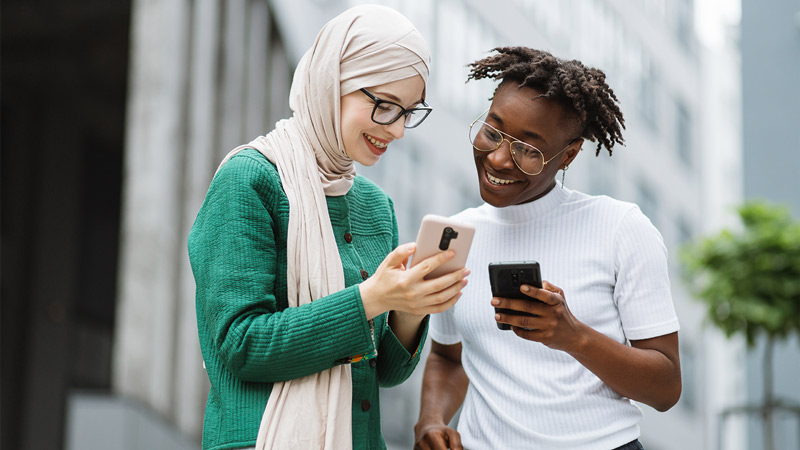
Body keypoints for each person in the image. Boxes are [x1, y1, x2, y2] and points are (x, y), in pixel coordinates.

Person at [188, 5, 469, 450]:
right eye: (384, 106)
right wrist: (371, 299)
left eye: (409, 112)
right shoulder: (251, 180)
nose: (397, 130)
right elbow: (239, 344)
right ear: (331, 82)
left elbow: (388, 374)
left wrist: (412, 306)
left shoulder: (377, 207)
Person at [413, 47, 681, 450]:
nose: (500, 158)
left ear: (568, 153)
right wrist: (431, 420)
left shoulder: (620, 228)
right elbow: (448, 358)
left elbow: (665, 387)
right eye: (493, 131)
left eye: (528, 150)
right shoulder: (456, 235)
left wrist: (573, 337)